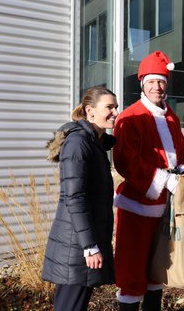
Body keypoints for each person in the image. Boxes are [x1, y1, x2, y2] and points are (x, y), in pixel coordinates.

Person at [113, 50, 184, 311]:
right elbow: (126, 160)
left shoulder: (171, 116)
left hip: (165, 205)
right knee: (132, 270)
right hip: (137, 204)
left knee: (157, 267)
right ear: (143, 84)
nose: (157, 87)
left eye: (161, 81)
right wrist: (162, 180)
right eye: (152, 81)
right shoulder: (130, 116)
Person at [42, 86, 119, 311]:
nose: (115, 112)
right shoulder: (78, 143)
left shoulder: (94, 143)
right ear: (90, 111)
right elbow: (73, 197)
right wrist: (90, 247)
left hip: (80, 242)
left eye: (116, 107)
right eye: (109, 107)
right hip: (75, 246)